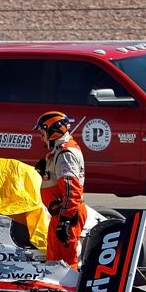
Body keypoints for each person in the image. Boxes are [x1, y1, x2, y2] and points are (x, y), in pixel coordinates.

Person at [34, 110, 87, 270]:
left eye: (42, 132)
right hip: (62, 214)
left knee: (65, 264)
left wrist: (64, 220)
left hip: (68, 215)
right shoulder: (58, 152)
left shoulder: (65, 154)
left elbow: (72, 189)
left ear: (53, 132)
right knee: (54, 263)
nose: (41, 137)